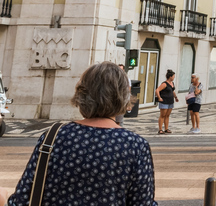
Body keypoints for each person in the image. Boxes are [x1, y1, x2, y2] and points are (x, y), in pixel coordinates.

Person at [2, 62, 158, 206]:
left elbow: (22, 199)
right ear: (122, 97)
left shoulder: (53, 136)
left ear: (81, 95)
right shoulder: (135, 146)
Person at [155, 69, 179, 134]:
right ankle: (160, 129)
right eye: (173, 76)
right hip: (164, 101)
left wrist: (175, 97)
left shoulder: (172, 83)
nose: (174, 77)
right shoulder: (164, 84)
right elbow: (157, 90)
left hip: (170, 101)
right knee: (162, 115)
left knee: (167, 115)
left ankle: (166, 128)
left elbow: (172, 91)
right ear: (170, 76)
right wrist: (159, 98)